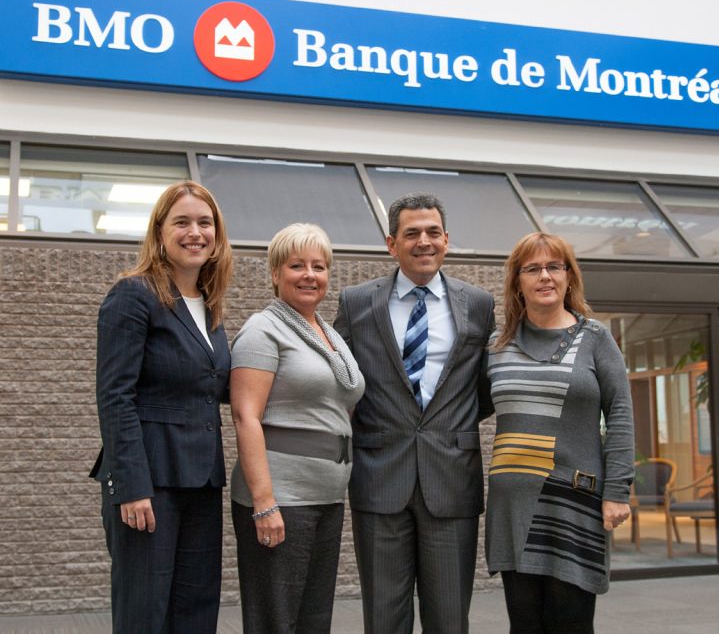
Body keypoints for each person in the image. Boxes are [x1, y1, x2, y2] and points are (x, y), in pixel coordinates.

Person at [334, 192, 496, 634]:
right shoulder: (356, 303)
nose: (423, 241)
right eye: (411, 234)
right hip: (379, 476)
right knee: (384, 618)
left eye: (433, 232)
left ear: (447, 240)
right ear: (392, 244)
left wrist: (449, 426)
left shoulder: (479, 305)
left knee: (449, 619)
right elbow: (339, 380)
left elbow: (484, 388)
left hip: (452, 476)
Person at [90, 180, 233, 633]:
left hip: (202, 481)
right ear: (159, 231)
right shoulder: (133, 295)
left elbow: (211, 387)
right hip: (148, 483)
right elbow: (115, 395)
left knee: (196, 611)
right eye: (183, 222)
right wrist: (130, 485)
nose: (196, 232)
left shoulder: (209, 307)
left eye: (205, 223)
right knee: (144, 613)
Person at [485, 231, 634, 634]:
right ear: (518, 281)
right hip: (513, 506)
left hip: (573, 502)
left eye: (554, 266)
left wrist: (617, 490)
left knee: (571, 624)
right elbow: (461, 408)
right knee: (525, 626)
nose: (545, 276)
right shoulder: (498, 347)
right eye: (532, 268)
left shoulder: (595, 338)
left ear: (570, 276)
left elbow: (620, 414)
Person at [229, 223, 365, 634]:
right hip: (282, 498)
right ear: (275, 273)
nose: (310, 275)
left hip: (325, 496)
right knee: (276, 620)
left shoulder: (328, 333)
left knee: (313, 619)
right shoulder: (263, 330)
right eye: (296, 265)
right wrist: (265, 502)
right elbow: (245, 416)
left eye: (319, 266)